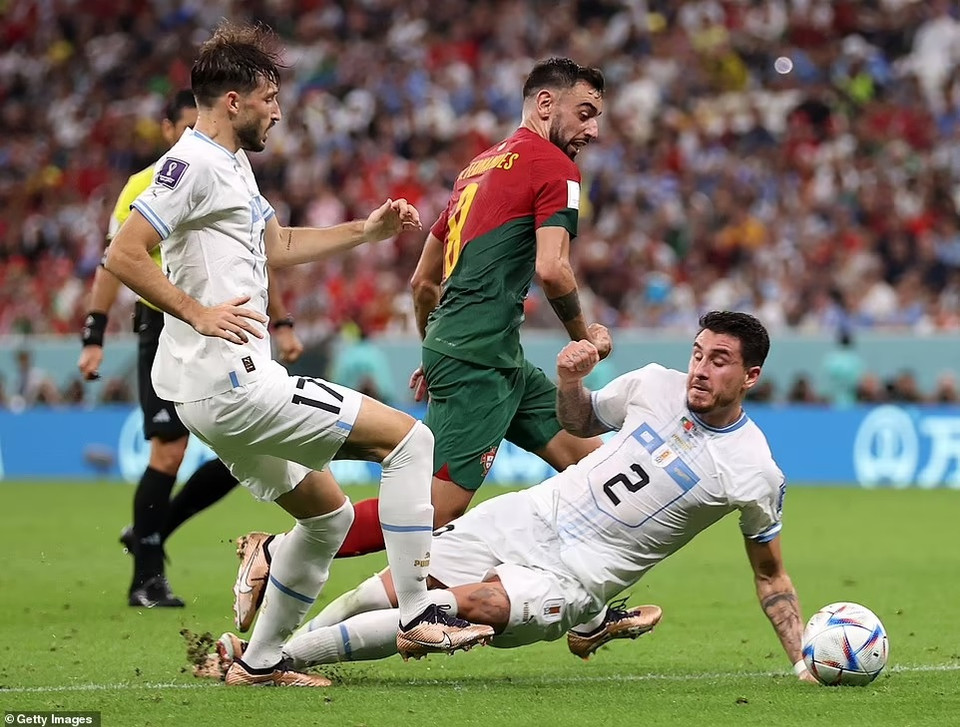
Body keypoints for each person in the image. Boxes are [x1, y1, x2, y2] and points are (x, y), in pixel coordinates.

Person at [104, 21, 492, 687]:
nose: (278, 111)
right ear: (234, 101)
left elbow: (274, 245)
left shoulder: (232, 164)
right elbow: (123, 252)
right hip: (236, 382)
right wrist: (197, 310)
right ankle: (419, 609)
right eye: (270, 98)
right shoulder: (190, 163)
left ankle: (259, 661)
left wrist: (363, 233)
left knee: (328, 517)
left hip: (212, 390)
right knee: (410, 443)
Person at [198, 311, 818, 684]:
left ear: (751, 377)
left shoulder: (753, 471)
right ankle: (262, 656)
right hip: (528, 515)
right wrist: (572, 380)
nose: (700, 370)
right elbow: (577, 425)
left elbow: (773, 578)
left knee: (456, 609)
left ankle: (260, 661)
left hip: (577, 575)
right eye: (698, 354)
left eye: (719, 361)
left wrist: (800, 659)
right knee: (390, 588)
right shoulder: (655, 383)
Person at [230, 59, 615, 629]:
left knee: (591, 464)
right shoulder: (553, 167)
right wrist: (588, 335)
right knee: (438, 505)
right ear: (544, 105)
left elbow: (423, 281)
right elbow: (554, 270)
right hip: (480, 354)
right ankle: (278, 552)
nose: (593, 131)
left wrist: (433, 350)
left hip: (487, 353)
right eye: (584, 114)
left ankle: (588, 612)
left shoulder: (478, 168)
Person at [78, 89, 304, 609]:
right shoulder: (148, 184)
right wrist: (93, 334)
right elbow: (116, 260)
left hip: (227, 325)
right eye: (182, 125)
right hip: (164, 326)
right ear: (168, 129)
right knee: (169, 450)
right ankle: (146, 578)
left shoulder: (230, 169)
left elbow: (260, 257)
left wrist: (283, 321)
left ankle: (151, 528)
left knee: (238, 450)